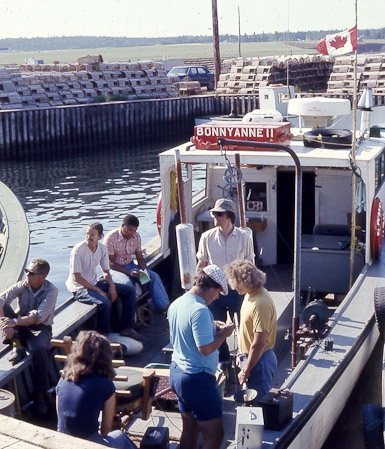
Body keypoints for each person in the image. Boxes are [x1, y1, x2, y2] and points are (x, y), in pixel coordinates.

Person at [168, 265, 234, 449]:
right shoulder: (200, 311)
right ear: (211, 287)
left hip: (177, 374)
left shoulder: (177, 303)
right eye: (219, 292)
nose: (218, 297)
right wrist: (225, 333)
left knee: (190, 429)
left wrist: (211, 326)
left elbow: (182, 333)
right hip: (197, 380)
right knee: (215, 435)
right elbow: (205, 349)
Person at [196, 198, 254, 367]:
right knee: (216, 328)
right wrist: (197, 289)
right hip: (215, 292)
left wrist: (251, 289)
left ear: (229, 216)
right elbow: (202, 264)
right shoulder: (206, 237)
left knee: (243, 325)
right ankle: (223, 361)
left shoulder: (244, 237)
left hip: (238, 290)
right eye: (214, 213)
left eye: (218, 214)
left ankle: (245, 360)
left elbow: (249, 263)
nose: (215, 216)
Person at [56, 330, 136, 448]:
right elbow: (105, 430)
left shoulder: (63, 379)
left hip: (63, 441)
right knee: (120, 436)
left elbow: (62, 416)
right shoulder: (105, 384)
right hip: (86, 444)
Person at [0, 258, 58, 414]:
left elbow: (37, 317)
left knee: (39, 349)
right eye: (27, 271)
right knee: (4, 307)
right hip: (19, 323)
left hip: (39, 327)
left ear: (42, 276)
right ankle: (16, 345)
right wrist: (4, 323)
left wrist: (13, 322)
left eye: (31, 273)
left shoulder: (51, 291)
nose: (27, 274)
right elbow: (1, 299)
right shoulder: (22, 285)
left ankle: (40, 394)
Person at [66, 222, 142, 340]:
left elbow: (106, 271)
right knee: (104, 303)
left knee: (129, 291)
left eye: (92, 235)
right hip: (80, 288)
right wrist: (98, 290)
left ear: (100, 236)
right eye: (87, 234)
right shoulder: (78, 250)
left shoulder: (102, 249)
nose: (88, 237)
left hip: (93, 283)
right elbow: (77, 278)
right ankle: (102, 337)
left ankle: (126, 328)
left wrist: (112, 287)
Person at [224, 259, 277, 400]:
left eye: (236, 282)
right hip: (250, 358)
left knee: (256, 403)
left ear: (247, 281)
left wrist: (246, 369)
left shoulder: (261, 303)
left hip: (259, 362)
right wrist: (241, 354)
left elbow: (259, 343)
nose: (233, 286)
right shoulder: (250, 295)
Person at [104, 214, 169, 312]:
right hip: (116, 270)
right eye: (130, 230)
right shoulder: (110, 238)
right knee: (128, 286)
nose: (132, 233)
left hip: (130, 265)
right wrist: (128, 272)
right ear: (123, 225)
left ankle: (164, 308)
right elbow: (110, 264)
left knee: (153, 277)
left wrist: (144, 270)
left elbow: (140, 258)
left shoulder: (136, 236)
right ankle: (130, 317)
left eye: (134, 230)